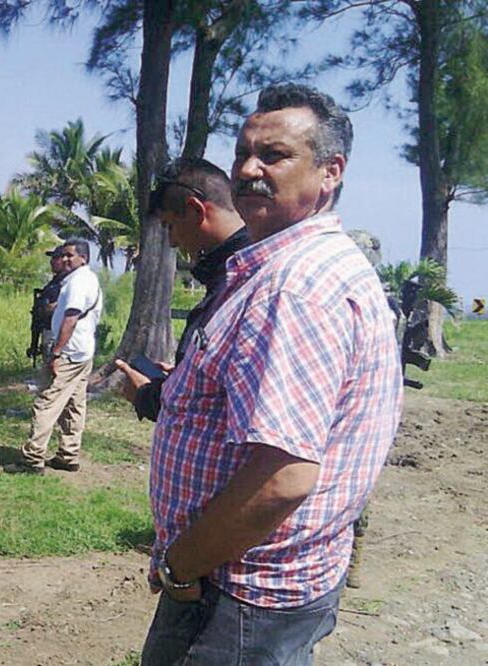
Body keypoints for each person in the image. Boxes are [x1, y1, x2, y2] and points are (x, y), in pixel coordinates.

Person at [140, 84, 403, 665]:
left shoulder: (295, 286)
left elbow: (283, 477)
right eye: (243, 153)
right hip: (268, 585)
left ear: (330, 171)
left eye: (275, 155)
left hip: (235, 595)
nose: (249, 169)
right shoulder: (304, 265)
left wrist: (180, 566)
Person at [115, 158, 249, 421]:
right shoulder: (225, 277)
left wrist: (144, 394)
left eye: (170, 226)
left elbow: (218, 412)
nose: (173, 241)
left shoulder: (242, 281)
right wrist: (186, 374)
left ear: (195, 210)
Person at [8, 239, 103, 475]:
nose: (66, 259)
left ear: (84, 258)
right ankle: (68, 455)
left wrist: (56, 353)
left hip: (69, 353)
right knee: (74, 404)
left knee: (47, 402)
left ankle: (32, 458)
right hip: (82, 351)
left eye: (70, 255)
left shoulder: (79, 282)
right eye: (64, 255)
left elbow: (70, 318)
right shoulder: (82, 280)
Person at [26, 244, 67, 368]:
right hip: (45, 328)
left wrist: (48, 308)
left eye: (56, 258)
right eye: (52, 258)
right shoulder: (53, 282)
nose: (52, 261)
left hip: (55, 330)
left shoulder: (67, 281)